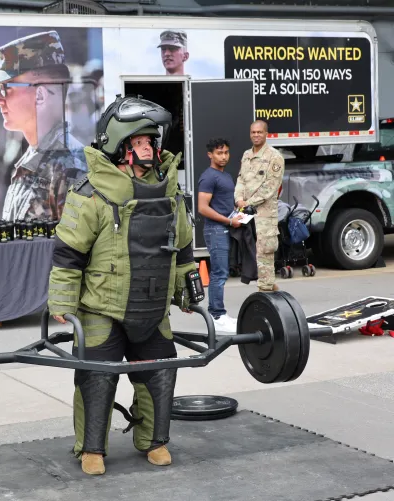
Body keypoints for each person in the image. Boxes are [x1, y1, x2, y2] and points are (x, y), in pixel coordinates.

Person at [47, 95, 198, 476]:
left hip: (152, 307)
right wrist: (62, 301)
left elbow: (181, 246)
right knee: (97, 378)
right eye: (141, 143)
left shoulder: (171, 192)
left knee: (160, 372)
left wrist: (186, 291)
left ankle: (154, 441)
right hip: (102, 309)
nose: (149, 148)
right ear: (120, 146)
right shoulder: (92, 193)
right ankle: (92, 449)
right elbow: (68, 253)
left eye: (152, 142)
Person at [0, 30, 87, 222]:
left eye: (5, 88)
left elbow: (75, 251)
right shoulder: (33, 159)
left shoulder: (73, 169)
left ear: (39, 96)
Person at [235, 120, 285, 292]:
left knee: (265, 251)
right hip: (247, 213)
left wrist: (247, 203)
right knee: (250, 251)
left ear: (266, 134)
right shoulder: (246, 155)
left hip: (264, 215)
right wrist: (238, 199)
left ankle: (266, 290)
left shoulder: (275, 157)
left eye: (259, 132)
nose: (256, 135)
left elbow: (270, 188)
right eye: (253, 132)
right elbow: (241, 179)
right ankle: (269, 288)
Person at [197, 138, 242, 331]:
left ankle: (220, 314)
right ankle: (216, 316)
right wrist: (229, 221)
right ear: (210, 155)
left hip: (224, 228)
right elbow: (202, 208)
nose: (223, 156)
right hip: (216, 230)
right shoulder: (209, 177)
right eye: (219, 153)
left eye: (226, 153)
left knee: (222, 272)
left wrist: (236, 212)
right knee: (219, 273)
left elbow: (223, 205)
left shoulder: (226, 176)